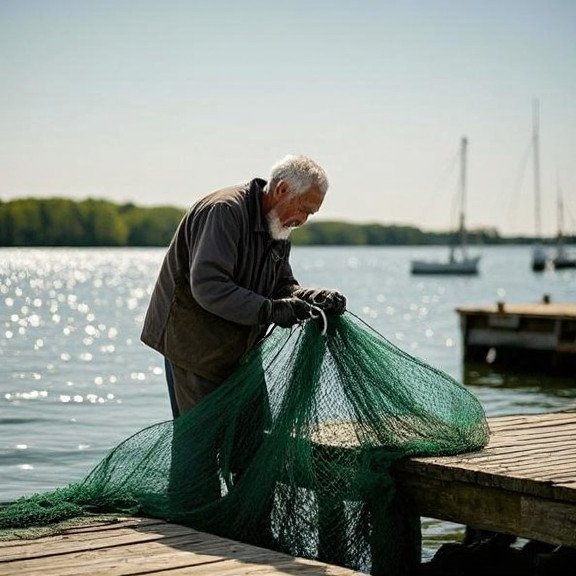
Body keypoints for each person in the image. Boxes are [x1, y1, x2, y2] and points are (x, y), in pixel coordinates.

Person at [141, 154, 346, 419]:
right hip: (194, 349)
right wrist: (270, 311)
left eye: (311, 213)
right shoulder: (224, 211)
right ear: (282, 190)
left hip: (240, 352)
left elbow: (282, 285)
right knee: (198, 447)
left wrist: (313, 297)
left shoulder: (280, 225)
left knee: (254, 438)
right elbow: (209, 286)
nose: (304, 219)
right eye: (304, 209)